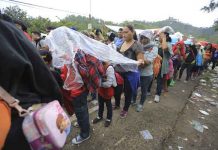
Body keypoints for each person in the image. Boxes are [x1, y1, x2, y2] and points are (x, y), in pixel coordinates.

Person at [0, 16, 62, 150]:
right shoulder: (10, 31)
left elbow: (43, 73)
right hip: (22, 117)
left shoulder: (5, 30)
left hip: (22, 120)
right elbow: (44, 76)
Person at [117, 25, 144, 118]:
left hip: (130, 74)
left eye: (126, 32)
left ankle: (125, 109)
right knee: (118, 90)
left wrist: (136, 62)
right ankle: (117, 104)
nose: (123, 34)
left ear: (132, 32)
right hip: (119, 71)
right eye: (123, 32)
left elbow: (140, 60)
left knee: (128, 92)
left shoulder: (137, 45)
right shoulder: (121, 44)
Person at [132, 30, 158, 111]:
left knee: (144, 90)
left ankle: (141, 104)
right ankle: (133, 100)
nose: (142, 39)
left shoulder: (154, 47)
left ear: (149, 38)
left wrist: (139, 59)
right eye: (141, 37)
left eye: (144, 38)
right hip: (136, 72)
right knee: (134, 88)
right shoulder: (138, 45)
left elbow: (147, 63)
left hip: (146, 74)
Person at [92, 62, 117, 127]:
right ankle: (100, 116)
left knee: (108, 106)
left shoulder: (110, 68)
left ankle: (109, 118)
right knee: (100, 104)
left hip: (107, 91)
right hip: (101, 90)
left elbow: (108, 84)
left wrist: (98, 83)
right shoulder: (97, 64)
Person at [154, 30, 173, 103]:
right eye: (159, 36)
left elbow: (164, 48)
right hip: (155, 65)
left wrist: (164, 38)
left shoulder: (168, 44)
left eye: (160, 35)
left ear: (166, 36)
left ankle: (157, 95)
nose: (159, 37)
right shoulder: (158, 43)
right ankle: (148, 91)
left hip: (162, 66)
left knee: (159, 80)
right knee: (151, 77)